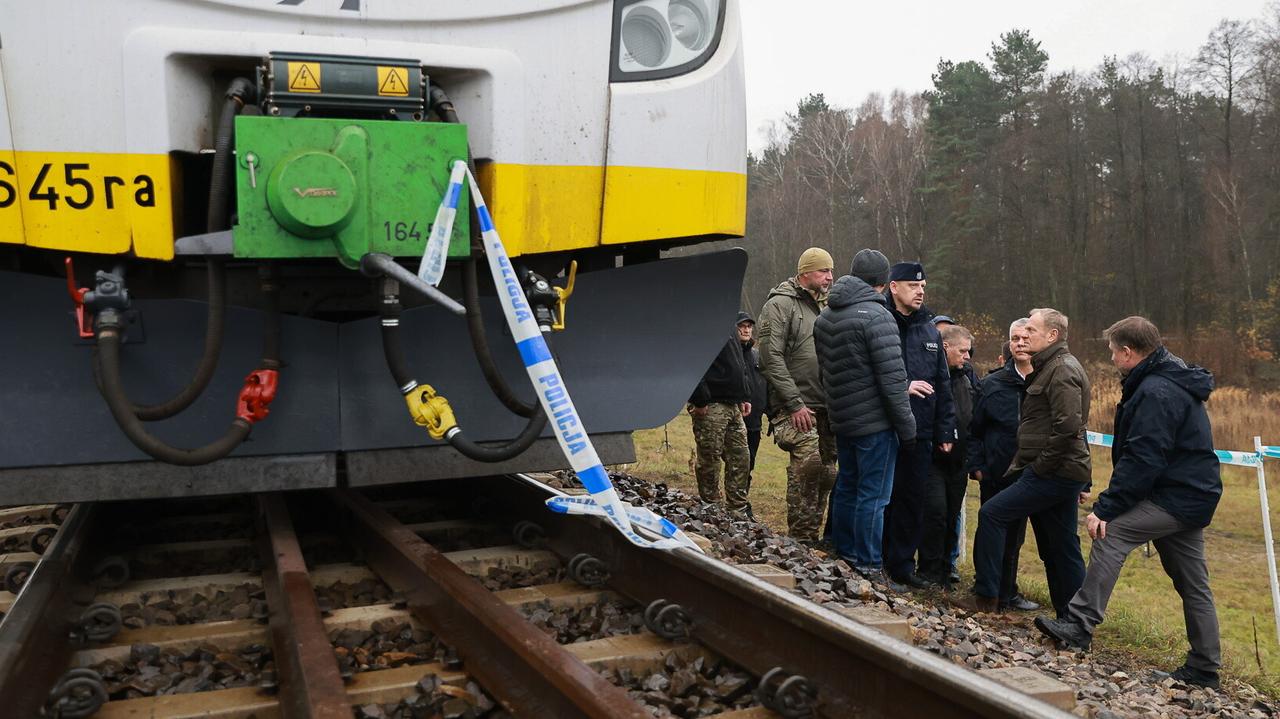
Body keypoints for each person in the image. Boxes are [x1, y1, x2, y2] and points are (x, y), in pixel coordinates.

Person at [1034, 316, 1222, 689]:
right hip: (1191, 493)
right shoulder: (1167, 377)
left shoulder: (1156, 391)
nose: (1111, 358)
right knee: (1194, 584)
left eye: (1112, 352)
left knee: (1110, 533)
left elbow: (1144, 457)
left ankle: (1078, 625)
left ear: (1127, 352)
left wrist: (1106, 507)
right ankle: (1204, 668)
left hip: (1176, 496)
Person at [965, 308, 1090, 614]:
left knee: (994, 514)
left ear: (1052, 335)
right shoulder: (1047, 366)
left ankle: (987, 599)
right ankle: (1071, 618)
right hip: (1053, 470)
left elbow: (1069, 427)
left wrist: (1039, 467)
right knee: (1060, 546)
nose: (1023, 338)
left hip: (1053, 472)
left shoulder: (1062, 369)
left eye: (1032, 330)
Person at [814, 249, 915, 587]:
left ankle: (843, 553)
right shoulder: (877, 317)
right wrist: (907, 427)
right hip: (875, 423)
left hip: (842, 419)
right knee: (874, 496)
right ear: (883, 283)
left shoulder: (825, 317)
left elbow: (825, 372)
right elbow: (892, 380)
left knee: (847, 487)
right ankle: (869, 565)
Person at [882, 262, 955, 588]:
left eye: (923, 286)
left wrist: (944, 429)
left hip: (922, 430)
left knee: (912, 500)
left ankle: (901, 566)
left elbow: (942, 382)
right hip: (885, 426)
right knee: (884, 497)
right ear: (894, 287)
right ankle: (875, 560)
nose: (920, 291)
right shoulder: (881, 322)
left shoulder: (929, 329)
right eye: (913, 286)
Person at [758, 248, 838, 545]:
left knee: (828, 473)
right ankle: (800, 540)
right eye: (823, 271)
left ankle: (812, 539)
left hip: (826, 406)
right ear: (805, 272)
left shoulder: (828, 307)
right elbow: (770, 358)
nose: (829, 277)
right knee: (809, 467)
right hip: (795, 406)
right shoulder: (780, 305)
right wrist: (794, 403)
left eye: (831, 271)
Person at [965, 320, 1039, 612]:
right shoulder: (992, 383)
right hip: (996, 471)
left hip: (1033, 473)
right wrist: (977, 465)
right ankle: (986, 593)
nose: (1020, 343)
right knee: (991, 533)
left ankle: (1008, 594)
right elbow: (975, 429)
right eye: (1014, 338)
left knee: (1016, 539)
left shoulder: (1047, 380)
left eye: (1025, 338)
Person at [919, 324, 979, 587]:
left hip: (960, 461)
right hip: (933, 459)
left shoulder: (967, 377)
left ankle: (946, 568)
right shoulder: (930, 374)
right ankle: (928, 570)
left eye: (969, 352)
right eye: (962, 351)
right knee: (935, 513)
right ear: (946, 347)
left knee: (952, 514)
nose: (967, 356)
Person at [687, 320, 752, 517]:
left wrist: (744, 395)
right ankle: (711, 507)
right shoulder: (702, 321)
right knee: (710, 457)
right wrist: (700, 398)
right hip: (711, 404)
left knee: (741, 457)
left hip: (733, 404)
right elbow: (691, 360)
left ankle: (737, 509)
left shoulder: (728, 323)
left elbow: (738, 363)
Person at [738, 311, 768, 518]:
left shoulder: (757, 356)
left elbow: (766, 385)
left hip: (754, 422)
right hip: (731, 420)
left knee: (748, 465)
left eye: (749, 326)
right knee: (734, 463)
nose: (747, 329)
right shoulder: (727, 353)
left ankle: (742, 502)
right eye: (742, 326)